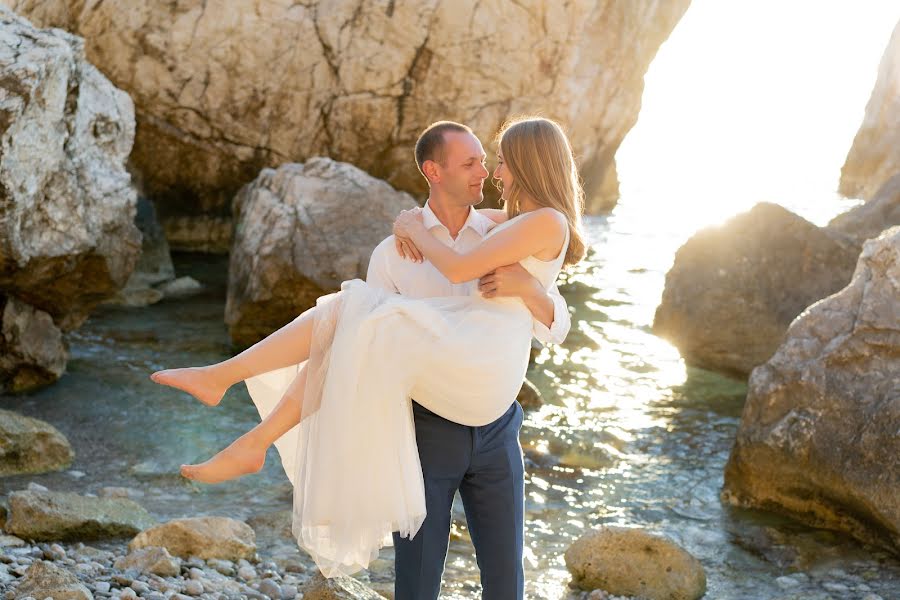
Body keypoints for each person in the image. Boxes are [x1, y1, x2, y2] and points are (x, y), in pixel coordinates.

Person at [150, 117, 586, 597]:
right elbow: (354, 353)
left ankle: (229, 387)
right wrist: (410, 226)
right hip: (431, 424)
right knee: (349, 324)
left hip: (494, 413)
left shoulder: (511, 228)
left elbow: (550, 314)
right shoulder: (398, 253)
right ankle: (246, 426)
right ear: (433, 171)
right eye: (474, 162)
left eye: (493, 160)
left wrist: (532, 292)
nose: (490, 171)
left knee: (507, 584)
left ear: (527, 163)